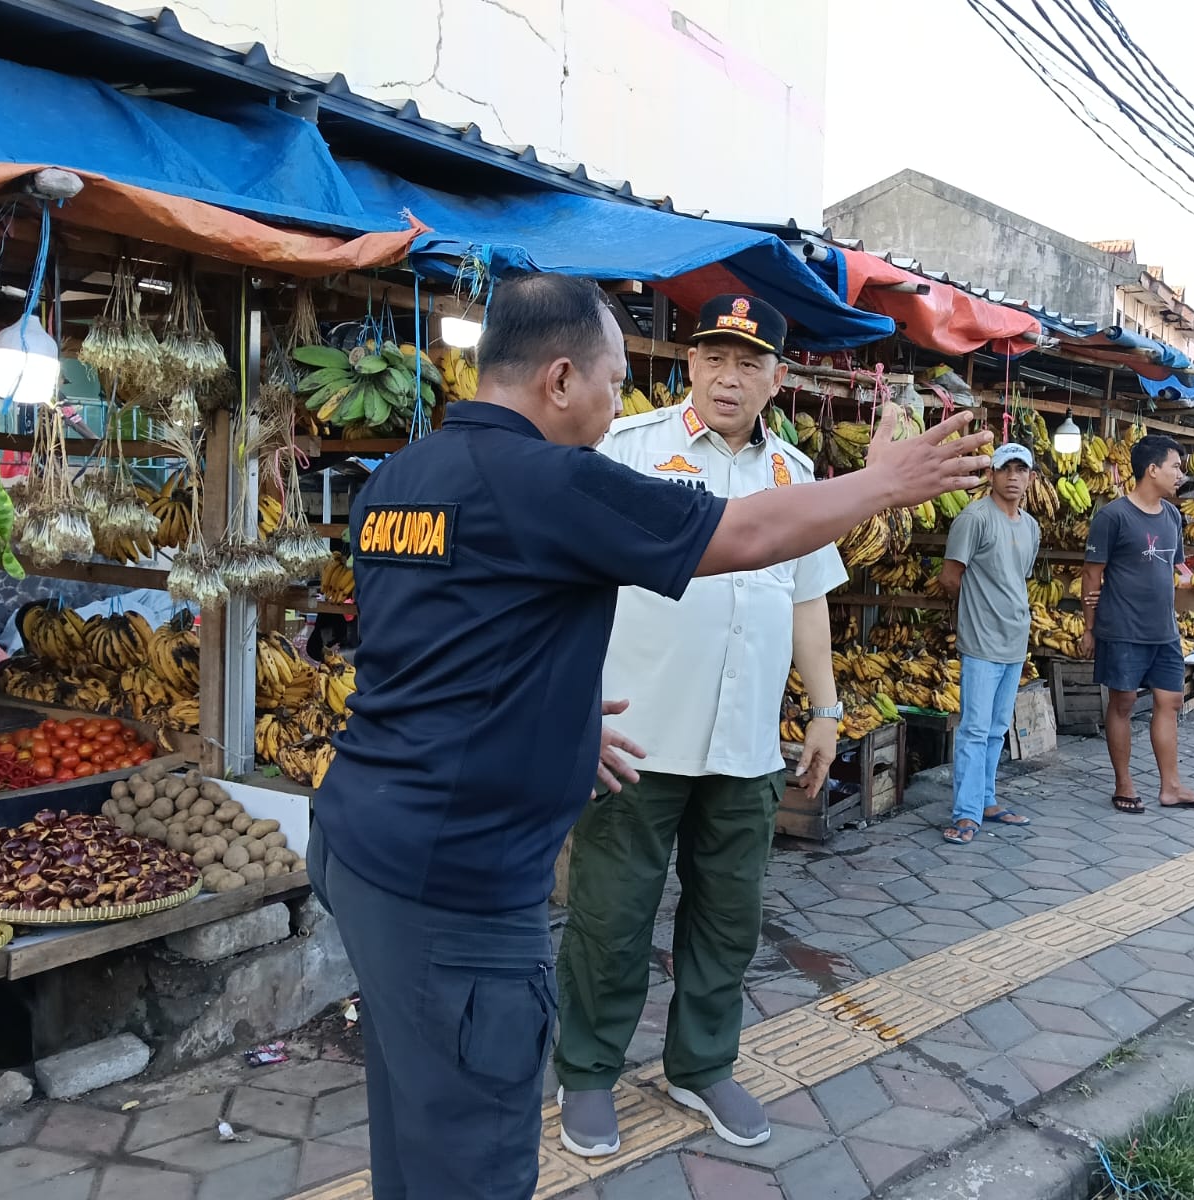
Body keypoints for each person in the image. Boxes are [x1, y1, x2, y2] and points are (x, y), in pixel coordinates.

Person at [304, 274, 991, 1200]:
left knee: (416, 1115)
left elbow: (429, 645)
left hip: (362, 842)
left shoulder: (400, 477)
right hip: (458, 884)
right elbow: (742, 536)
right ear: (558, 379)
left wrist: (548, 720)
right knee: (471, 1150)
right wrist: (881, 483)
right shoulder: (554, 478)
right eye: (613, 378)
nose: (617, 401)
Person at [553, 296, 847, 1157]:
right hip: (636, 739)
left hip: (746, 747)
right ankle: (589, 1073)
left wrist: (824, 708)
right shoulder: (627, 452)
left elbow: (807, 600)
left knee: (729, 920)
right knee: (611, 919)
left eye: (750, 362)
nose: (730, 376)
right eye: (716, 357)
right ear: (689, 364)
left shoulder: (793, 475)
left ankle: (703, 1065)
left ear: (776, 379)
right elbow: (567, 582)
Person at [1079, 435, 1194, 815]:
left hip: (1164, 631)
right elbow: (1091, 576)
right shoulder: (1112, 516)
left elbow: (1176, 568)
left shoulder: (1173, 516)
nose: (1181, 474)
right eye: (1175, 466)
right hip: (1122, 628)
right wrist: (1089, 628)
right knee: (1122, 702)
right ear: (1152, 469)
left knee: (1170, 702)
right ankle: (1123, 783)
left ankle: (1171, 786)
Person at [937, 442, 1041, 844]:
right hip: (981, 641)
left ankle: (987, 800)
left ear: (1030, 478)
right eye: (1006, 469)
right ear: (992, 475)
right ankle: (966, 813)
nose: (1013, 477)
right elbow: (950, 576)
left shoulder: (1030, 526)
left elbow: (1019, 578)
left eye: (1021, 470)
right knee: (974, 730)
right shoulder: (974, 519)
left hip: (1015, 639)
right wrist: (977, 609)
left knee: (997, 729)